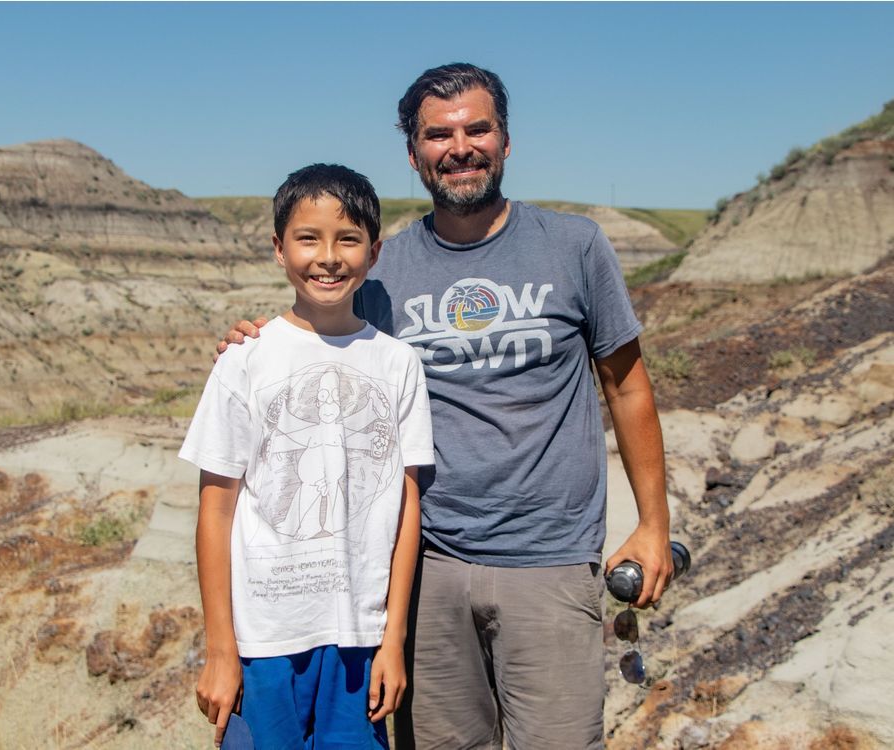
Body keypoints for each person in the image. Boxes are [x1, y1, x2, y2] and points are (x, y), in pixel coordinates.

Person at [219, 63, 673, 749]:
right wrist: (255, 339)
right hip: (425, 569)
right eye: (438, 134)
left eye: (477, 129)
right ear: (414, 154)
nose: (460, 147)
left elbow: (628, 385)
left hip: (548, 564)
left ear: (506, 140)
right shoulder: (383, 270)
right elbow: (323, 337)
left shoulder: (575, 247)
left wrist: (653, 523)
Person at [183, 164, 434, 748]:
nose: (328, 257)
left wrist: (392, 639)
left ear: (373, 254)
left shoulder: (398, 365)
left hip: (360, 643)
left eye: (348, 239)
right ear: (278, 249)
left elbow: (406, 508)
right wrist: (221, 651)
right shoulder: (246, 360)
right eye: (308, 238)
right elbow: (215, 512)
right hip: (264, 644)